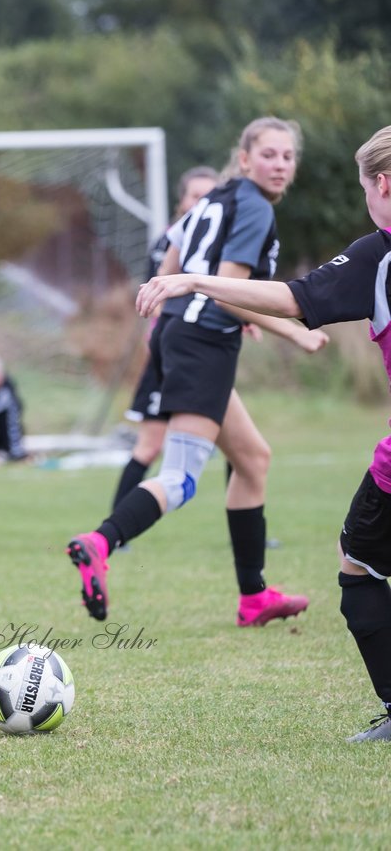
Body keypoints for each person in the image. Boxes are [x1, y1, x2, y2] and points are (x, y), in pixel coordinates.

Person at [136, 124, 391, 742]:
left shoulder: (381, 253)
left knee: (356, 564)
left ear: (382, 186)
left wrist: (196, 280)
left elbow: (291, 296)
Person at [64, 117, 329, 626]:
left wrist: (167, 305)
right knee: (181, 479)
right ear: (245, 158)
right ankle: (100, 543)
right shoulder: (251, 206)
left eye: (287, 156)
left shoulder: (216, 198)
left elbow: (173, 257)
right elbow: (229, 287)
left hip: (180, 336)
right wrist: (294, 330)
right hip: (202, 343)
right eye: (268, 154)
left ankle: (254, 598)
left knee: (252, 459)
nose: (279, 164)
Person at [112, 166, 219, 508]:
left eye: (210, 196)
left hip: (208, 354)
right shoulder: (171, 239)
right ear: (182, 200)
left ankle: (252, 543)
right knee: (149, 445)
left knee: (246, 450)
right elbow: (155, 297)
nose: (203, 202)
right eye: (196, 195)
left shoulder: (216, 240)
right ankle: (112, 532)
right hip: (172, 355)